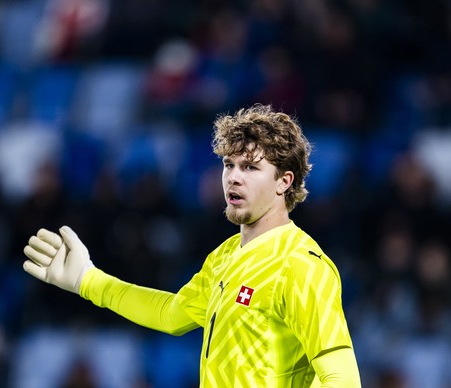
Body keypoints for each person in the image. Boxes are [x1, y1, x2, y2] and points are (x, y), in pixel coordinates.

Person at [22, 104, 361, 387]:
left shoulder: (300, 264)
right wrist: (87, 280)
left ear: (284, 182)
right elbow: (171, 315)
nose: (234, 177)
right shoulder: (225, 255)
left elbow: (340, 375)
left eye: (251, 167)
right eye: (229, 165)